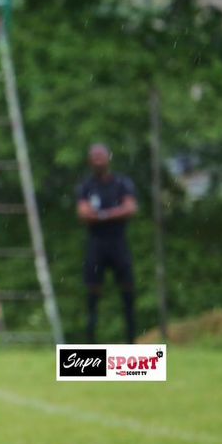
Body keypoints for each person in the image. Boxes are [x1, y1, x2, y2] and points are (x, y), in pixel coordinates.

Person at [76, 143, 138, 342]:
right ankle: (90, 345)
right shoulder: (86, 186)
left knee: (127, 290)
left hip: (118, 242)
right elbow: (84, 213)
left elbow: (130, 208)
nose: (98, 160)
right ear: (89, 160)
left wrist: (102, 215)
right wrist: (114, 213)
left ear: (108, 158)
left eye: (101, 156)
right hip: (96, 243)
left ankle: (132, 342)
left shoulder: (121, 183)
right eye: (94, 157)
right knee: (92, 294)